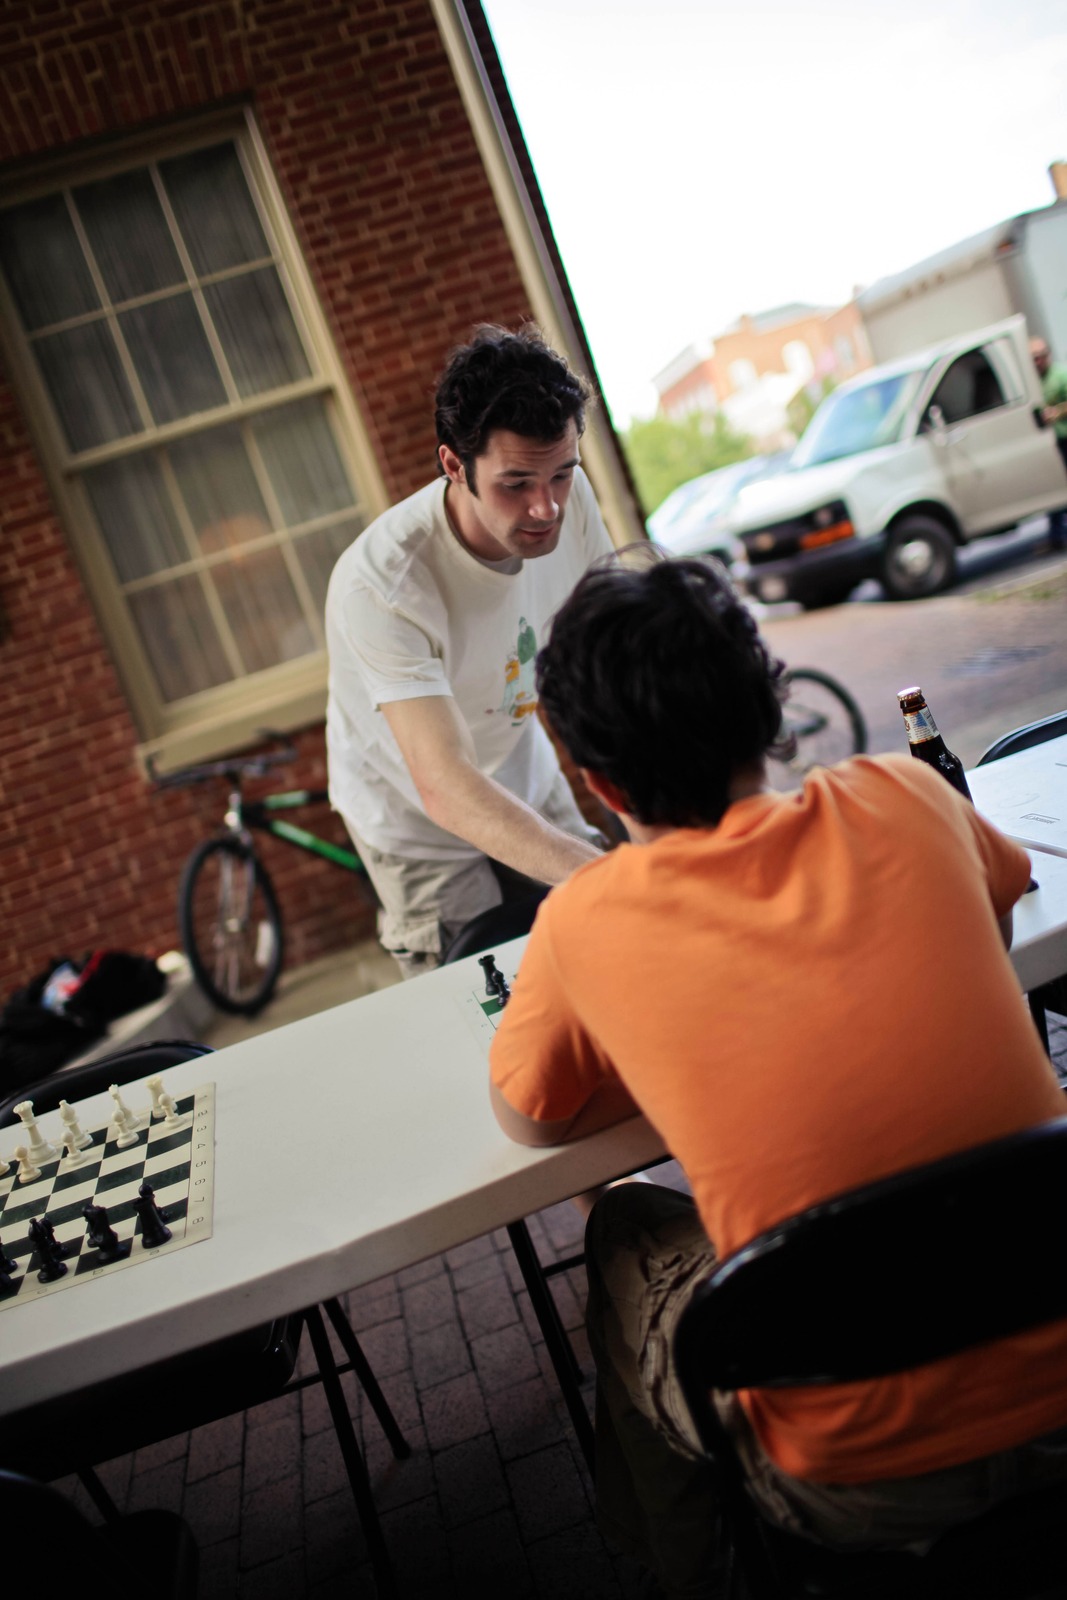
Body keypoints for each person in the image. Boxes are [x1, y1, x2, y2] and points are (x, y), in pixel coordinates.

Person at [488, 551, 1067, 1599]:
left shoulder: (580, 921)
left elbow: (529, 1117)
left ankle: (688, 1578)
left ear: (593, 778)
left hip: (860, 1482)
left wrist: (669, 1043)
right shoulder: (903, 793)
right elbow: (999, 895)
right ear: (767, 709)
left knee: (622, 1229)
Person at [325, 324, 615, 977]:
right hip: (414, 815)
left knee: (599, 954)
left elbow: (612, 656)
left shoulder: (568, 497)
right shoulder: (381, 584)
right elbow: (444, 784)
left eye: (561, 474)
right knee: (479, 996)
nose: (545, 507)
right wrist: (607, 874)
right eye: (515, 483)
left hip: (517, 762)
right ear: (454, 464)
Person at [1030, 335, 1067, 551]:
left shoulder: (1060, 375)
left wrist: (1057, 412)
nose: (1037, 362)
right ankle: (1056, 536)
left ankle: (1056, 535)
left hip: (1065, 436)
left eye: (1040, 357)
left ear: (1048, 355)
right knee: (1054, 488)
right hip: (1049, 443)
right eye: (1033, 358)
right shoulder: (1033, 382)